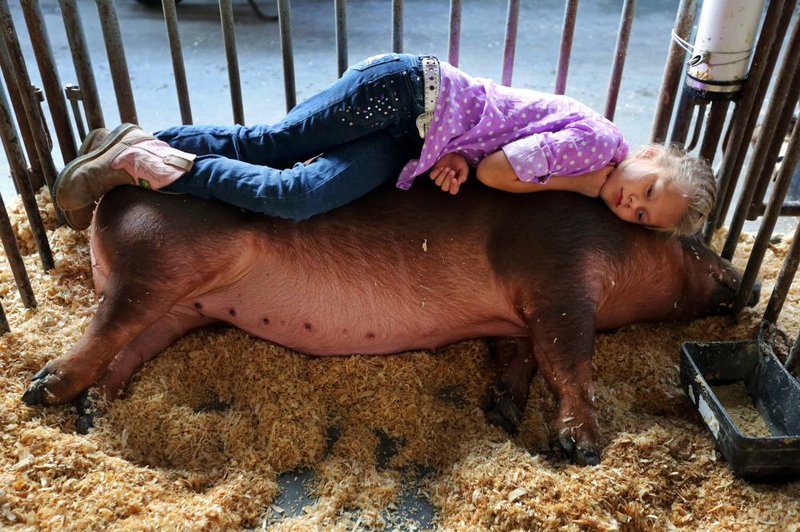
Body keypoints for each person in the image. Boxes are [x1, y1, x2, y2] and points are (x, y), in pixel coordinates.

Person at [55, 53, 715, 237]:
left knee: (297, 196)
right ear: (651, 153)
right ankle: (148, 144)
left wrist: (457, 157)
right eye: (648, 190)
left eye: (639, 216)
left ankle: (146, 159)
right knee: (275, 143)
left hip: (419, 141)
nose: (629, 202)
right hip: (409, 94)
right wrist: (577, 186)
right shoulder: (597, 149)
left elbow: (491, 150)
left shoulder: (597, 159)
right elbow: (500, 171)